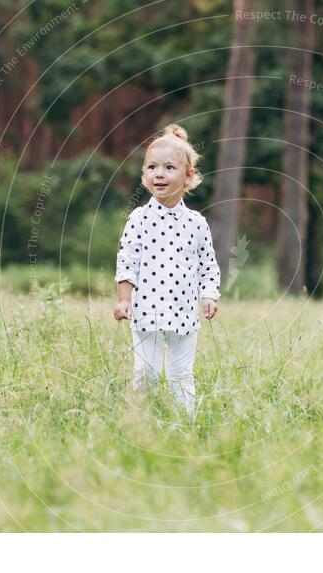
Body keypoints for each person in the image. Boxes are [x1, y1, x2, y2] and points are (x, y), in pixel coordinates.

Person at [113, 123, 221, 416]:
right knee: (145, 370)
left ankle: (186, 423)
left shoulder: (197, 223)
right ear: (145, 175)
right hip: (145, 310)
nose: (159, 174)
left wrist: (208, 297)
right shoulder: (139, 219)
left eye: (169, 168)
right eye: (152, 167)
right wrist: (124, 299)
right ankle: (140, 420)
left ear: (188, 176)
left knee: (181, 373)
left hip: (184, 311)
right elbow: (127, 261)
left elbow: (207, 265)